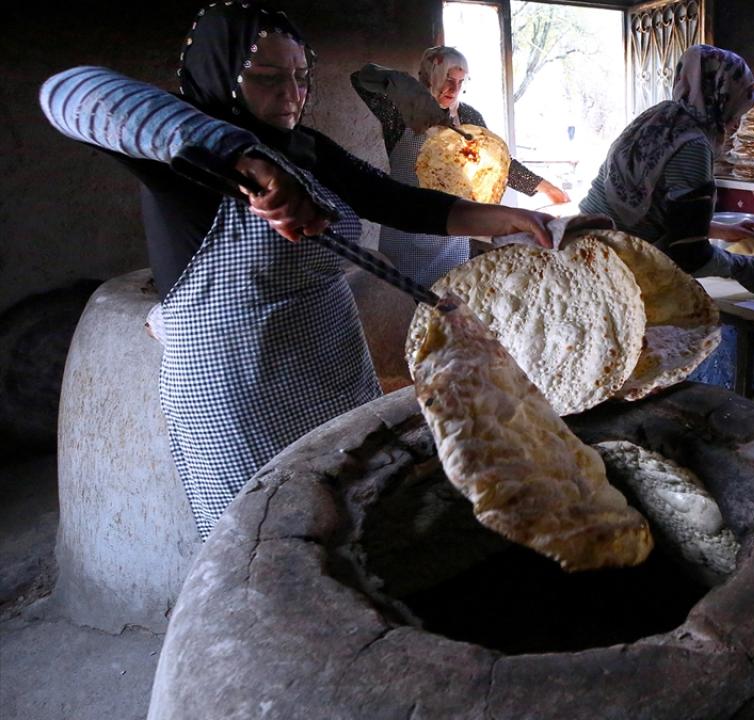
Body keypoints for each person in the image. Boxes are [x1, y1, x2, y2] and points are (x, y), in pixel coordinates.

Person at [40, 1, 552, 540]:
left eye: (301, 77)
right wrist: (240, 159)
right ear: (219, 72)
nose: (291, 94)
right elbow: (66, 91)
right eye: (266, 78)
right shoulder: (181, 153)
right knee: (272, 538)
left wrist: (512, 219)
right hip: (239, 390)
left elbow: (396, 201)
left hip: (333, 365)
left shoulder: (304, 147)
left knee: (363, 523)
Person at [578, 44, 754, 296]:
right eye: (736, 109)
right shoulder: (693, 146)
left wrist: (718, 229)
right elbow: (689, 256)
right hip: (615, 267)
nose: (737, 123)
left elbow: (652, 210)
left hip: (584, 245)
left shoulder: (659, 117)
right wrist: (746, 268)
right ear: (719, 97)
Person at [352, 47, 570, 285]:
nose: (454, 89)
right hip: (405, 228)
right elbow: (360, 79)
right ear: (430, 75)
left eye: (460, 81)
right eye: (447, 78)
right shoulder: (400, 111)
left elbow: (498, 163)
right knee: (405, 299)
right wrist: (407, 88)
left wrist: (546, 188)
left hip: (452, 230)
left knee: (450, 294)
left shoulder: (467, 116)